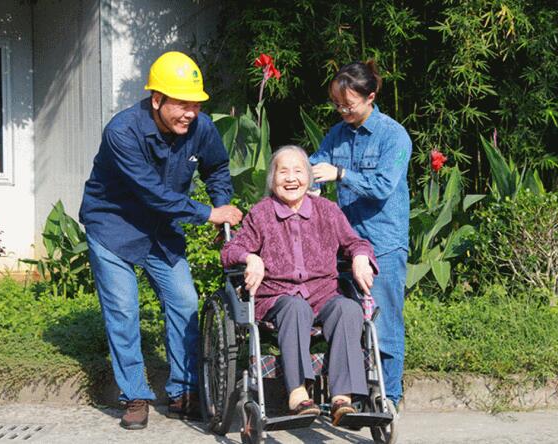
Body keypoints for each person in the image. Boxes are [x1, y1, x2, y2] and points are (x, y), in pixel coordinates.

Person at [79, 51, 242, 430]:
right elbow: (152, 193)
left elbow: (217, 167)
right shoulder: (122, 132)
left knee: (184, 301)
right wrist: (209, 214)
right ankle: (134, 395)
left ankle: (183, 391)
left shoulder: (200, 128)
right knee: (124, 311)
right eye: (182, 104)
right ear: (157, 99)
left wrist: (222, 204)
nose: (190, 113)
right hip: (113, 225)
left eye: (196, 105)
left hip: (161, 228)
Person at [221, 145, 378, 426]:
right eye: (283, 172)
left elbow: (356, 242)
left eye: (298, 171)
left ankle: (342, 399)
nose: (291, 178)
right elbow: (231, 250)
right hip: (278, 296)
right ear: (272, 178)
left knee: (348, 309)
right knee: (295, 308)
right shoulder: (261, 213)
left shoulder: (327, 211)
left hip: (323, 294)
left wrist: (361, 257)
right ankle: (298, 394)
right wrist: (250, 258)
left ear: (308, 177)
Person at [310, 60, 412, 418]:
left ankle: (389, 397)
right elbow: (314, 166)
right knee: (347, 321)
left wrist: (340, 174)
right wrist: (303, 179)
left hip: (383, 242)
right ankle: (351, 394)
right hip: (344, 244)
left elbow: (383, 186)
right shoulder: (336, 134)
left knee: (384, 322)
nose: (342, 111)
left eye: (348, 104)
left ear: (371, 97)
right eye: (337, 104)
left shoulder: (394, 136)